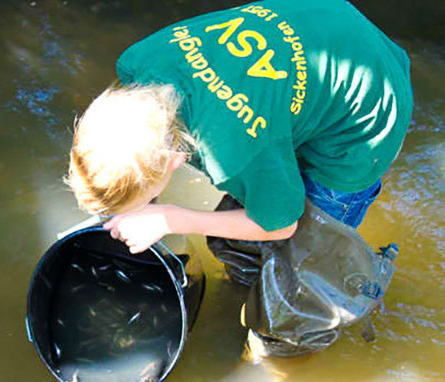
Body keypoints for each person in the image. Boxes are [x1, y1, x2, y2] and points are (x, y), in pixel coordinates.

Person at [64, 0, 412, 357]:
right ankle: (247, 278)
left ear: (174, 161)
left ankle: (280, 350)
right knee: (265, 189)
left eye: (141, 202)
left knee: (304, 271)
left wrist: (170, 217)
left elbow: (283, 226)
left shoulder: (233, 151)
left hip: (365, 111)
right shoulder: (139, 62)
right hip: (320, 24)